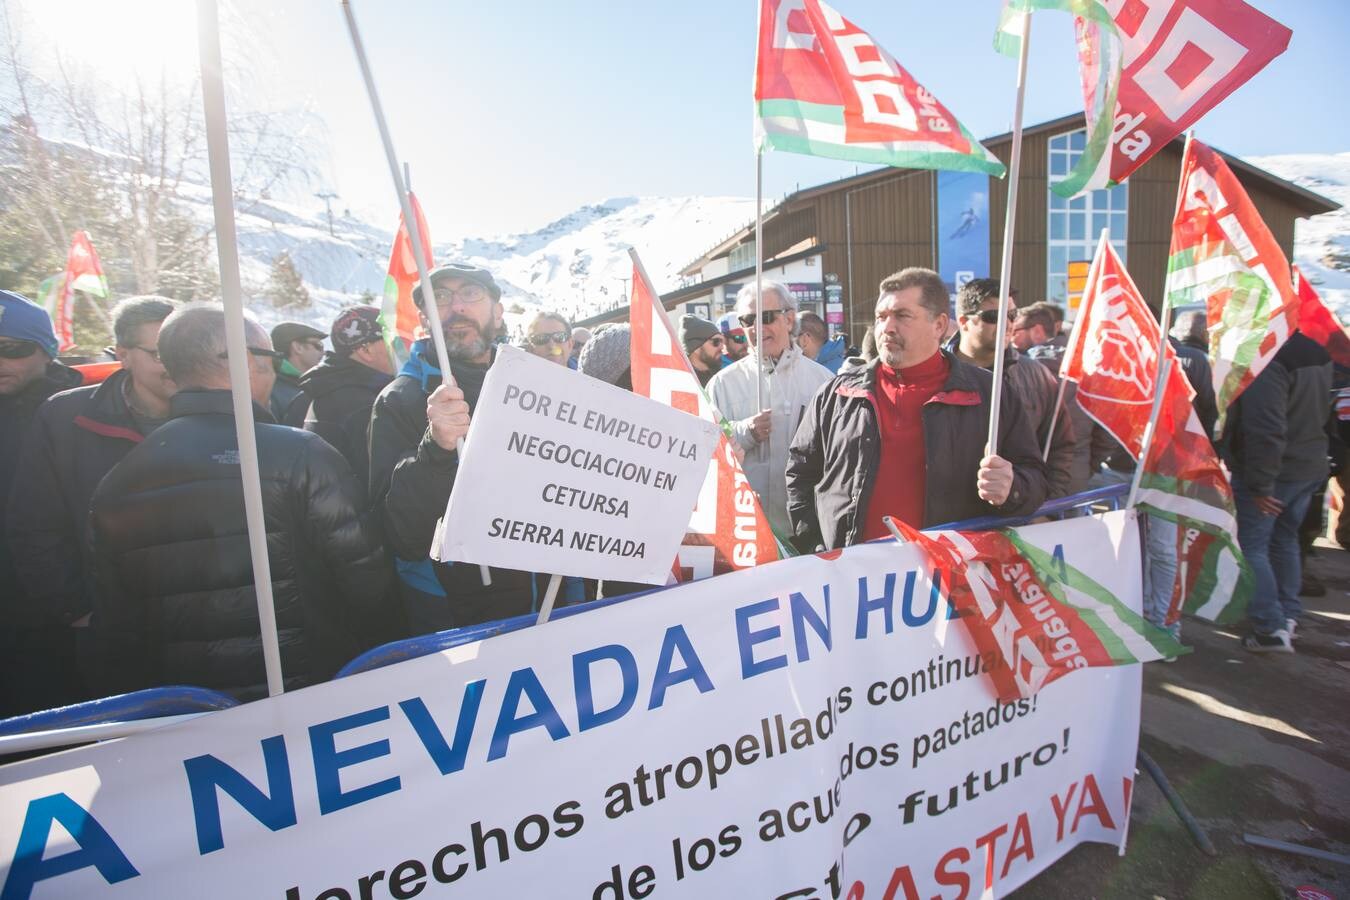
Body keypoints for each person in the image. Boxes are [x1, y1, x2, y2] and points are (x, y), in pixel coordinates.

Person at [88, 305, 391, 699]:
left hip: (192, 712)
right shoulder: (300, 455)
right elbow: (366, 579)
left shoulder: (119, 479)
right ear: (247, 360)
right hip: (311, 693)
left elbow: (116, 621)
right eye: (270, 358)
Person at [786, 267, 1047, 552]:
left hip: (948, 581)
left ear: (939, 325)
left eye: (902, 315)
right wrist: (815, 545)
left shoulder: (990, 394)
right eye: (881, 317)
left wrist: (1011, 488)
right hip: (855, 581)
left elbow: (1034, 477)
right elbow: (801, 472)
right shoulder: (838, 394)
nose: (887, 327)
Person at [6, 296, 180, 712]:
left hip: (203, 627)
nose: (174, 364)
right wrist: (78, 613)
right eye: (159, 353)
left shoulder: (230, 413)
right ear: (122, 355)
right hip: (99, 636)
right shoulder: (66, 418)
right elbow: (36, 525)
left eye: (183, 351)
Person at [370, 262, 553, 631]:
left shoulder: (538, 386)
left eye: (470, 293)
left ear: (498, 314)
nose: (456, 307)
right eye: (440, 297)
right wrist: (436, 449)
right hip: (454, 614)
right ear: (425, 317)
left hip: (546, 600)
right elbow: (399, 534)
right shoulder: (399, 401)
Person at [1223, 332, 1334, 653]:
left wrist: (1260, 485)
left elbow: (1266, 428)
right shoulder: (1313, 350)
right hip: (1305, 465)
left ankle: (1271, 626)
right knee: (1283, 540)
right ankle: (1286, 617)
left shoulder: (1266, 358)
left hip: (1275, 473)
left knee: (1253, 547)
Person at [0, 292, 83, 717]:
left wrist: (75, 605)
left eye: (11, 349)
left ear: (46, 351)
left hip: (60, 622)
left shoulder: (83, 412)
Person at [708, 280, 833, 537]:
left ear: (789, 319)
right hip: (745, 532)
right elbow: (706, 453)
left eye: (765, 317)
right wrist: (746, 432)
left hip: (807, 532)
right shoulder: (722, 383)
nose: (756, 327)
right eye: (747, 320)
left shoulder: (823, 381)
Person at [953, 282, 1081, 499]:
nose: (1007, 323)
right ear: (964, 321)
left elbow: (1060, 446)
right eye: (994, 316)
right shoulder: (937, 373)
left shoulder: (1037, 376)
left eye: (1012, 314)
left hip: (1020, 514)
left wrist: (1046, 507)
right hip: (952, 520)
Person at [295, 305, 394, 486]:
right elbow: (384, 484)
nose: (398, 348)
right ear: (366, 351)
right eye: (391, 340)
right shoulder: (365, 406)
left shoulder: (323, 389)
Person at [269, 320, 325, 423]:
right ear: (298, 347)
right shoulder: (271, 390)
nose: (323, 352)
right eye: (318, 346)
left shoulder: (312, 384)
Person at [678, 314, 724, 387]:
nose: (722, 347)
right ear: (696, 347)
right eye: (716, 341)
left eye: (722, 341)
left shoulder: (721, 377)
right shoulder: (682, 381)